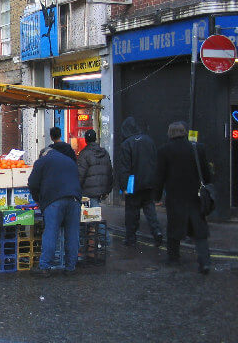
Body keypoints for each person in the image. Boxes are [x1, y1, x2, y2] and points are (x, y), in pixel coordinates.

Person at [155, 121, 212, 274]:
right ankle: (204, 261)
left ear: (170, 133)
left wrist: (157, 195)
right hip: (195, 196)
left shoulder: (164, 150)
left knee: (174, 228)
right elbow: (207, 174)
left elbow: (160, 176)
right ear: (184, 132)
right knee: (199, 230)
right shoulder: (197, 148)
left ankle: (173, 258)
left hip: (175, 196)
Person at [28, 147, 82, 276]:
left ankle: (45, 267)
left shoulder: (43, 161)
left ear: (43, 154)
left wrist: (38, 200)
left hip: (54, 201)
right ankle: (70, 267)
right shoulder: (70, 161)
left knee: (51, 232)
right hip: (74, 200)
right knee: (73, 234)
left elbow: (32, 183)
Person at [119, 116, 162, 247]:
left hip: (133, 184)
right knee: (150, 209)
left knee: (132, 212)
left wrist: (124, 186)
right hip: (149, 182)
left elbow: (125, 167)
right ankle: (157, 232)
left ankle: (130, 238)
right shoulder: (149, 140)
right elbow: (155, 161)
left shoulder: (126, 144)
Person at [77, 129, 113, 207]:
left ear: (86, 140)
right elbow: (109, 171)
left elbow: (81, 173)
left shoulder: (84, 154)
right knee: (95, 208)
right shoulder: (104, 152)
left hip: (89, 190)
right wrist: (108, 189)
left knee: (93, 212)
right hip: (103, 187)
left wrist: (77, 188)